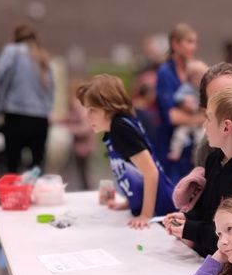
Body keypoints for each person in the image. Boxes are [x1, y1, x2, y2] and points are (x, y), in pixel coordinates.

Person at [163, 84, 232, 257]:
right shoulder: (214, 159)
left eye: (209, 119)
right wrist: (187, 220)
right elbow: (206, 209)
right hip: (203, 255)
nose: (204, 125)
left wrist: (191, 230)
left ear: (226, 127)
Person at [77, 74, 176, 228]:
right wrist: (129, 202)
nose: (88, 117)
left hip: (160, 210)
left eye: (92, 110)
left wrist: (146, 215)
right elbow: (134, 170)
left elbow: (151, 172)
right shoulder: (115, 128)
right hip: (152, 205)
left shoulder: (120, 128)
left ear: (108, 107)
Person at [0, 24, 54, 173]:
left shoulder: (12, 51)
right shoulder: (43, 55)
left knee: (13, 166)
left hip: (16, 114)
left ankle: (16, 195)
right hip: (40, 119)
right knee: (37, 168)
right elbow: (52, 89)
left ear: (15, 37)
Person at [154, 23, 204, 182]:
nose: (193, 47)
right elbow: (172, 116)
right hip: (170, 144)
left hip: (191, 148)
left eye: (195, 42)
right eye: (189, 41)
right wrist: (201, 118)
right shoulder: (165, 72)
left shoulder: (196, 69)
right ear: (175, 44)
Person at [167, 59, 208, 162]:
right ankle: (175, 152)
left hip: (199, 123)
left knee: (200, 138)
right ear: (191, 78)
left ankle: (196, 156)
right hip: (187, 120)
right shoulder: (186, 88)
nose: (199, 80)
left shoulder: (204, 90)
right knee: (179, 135)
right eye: (197, 77)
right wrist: (185, 101)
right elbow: (177, 97)